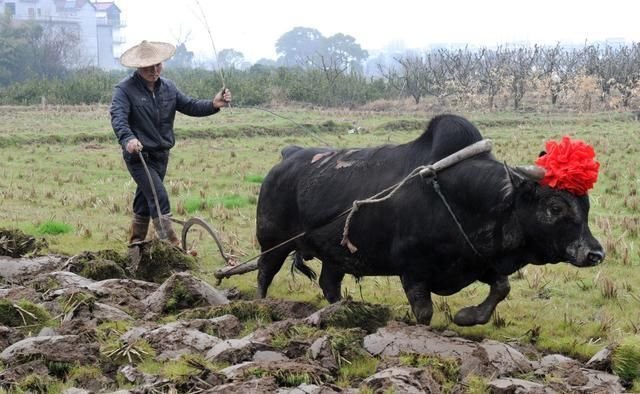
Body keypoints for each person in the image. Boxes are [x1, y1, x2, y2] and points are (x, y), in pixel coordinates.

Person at [110, 40, 231, 249]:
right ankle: (172, 247)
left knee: (145, 199)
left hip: (161, 155)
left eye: (157, 65)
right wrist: (128, 139)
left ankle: (136, 243)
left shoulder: (169, 87)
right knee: (159, 197)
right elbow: (118, 117)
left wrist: (213, 104)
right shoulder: (125, 90)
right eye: (148, 67)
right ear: (138, 66)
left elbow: (190, 105)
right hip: (139, 156)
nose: (154, 70)